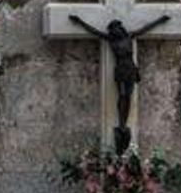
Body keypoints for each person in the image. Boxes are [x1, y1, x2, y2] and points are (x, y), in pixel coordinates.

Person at [70, 12, 172, 152]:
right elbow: (94, 31)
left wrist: (161, 20)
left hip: (130, 69)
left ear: (120, 28)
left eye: (115, 28)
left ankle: (123, 124)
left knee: (128, 96)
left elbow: (146, 28)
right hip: (121, 70)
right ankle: (121, 123)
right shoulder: (111, 40)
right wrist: (79, 21)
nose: (114, 31)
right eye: (112, 30)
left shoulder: (129, 36)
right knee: (122, 95)